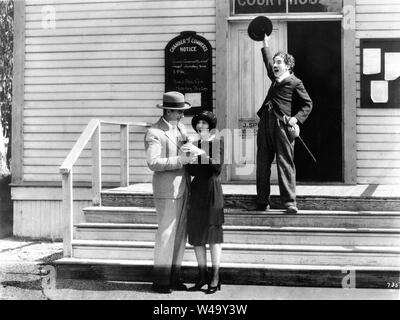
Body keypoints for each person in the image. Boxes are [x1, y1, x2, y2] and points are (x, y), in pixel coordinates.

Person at [144, 91, 197, 294]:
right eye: (177, 112)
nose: (182, 116)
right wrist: (180, 161)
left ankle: (174, 276)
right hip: (166, 190)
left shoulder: (180, 127)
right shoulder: (154, 132)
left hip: (184, 187)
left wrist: (190, 148)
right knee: (166, 234)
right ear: (167, 111)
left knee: (180, 235)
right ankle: (160, 280)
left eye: (182, 112)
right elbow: (153, 163)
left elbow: (185, 148)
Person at [256, 35, 313, 214]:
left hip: (283, 127)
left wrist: (296, 118)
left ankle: (289, 203)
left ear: (288, 66)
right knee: (263, 164)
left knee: (285, 163)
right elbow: (267, 61)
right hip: (265, 124)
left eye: (279, 62)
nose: (275, 65)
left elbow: (308, 104)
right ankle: (262, 201)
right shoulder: (274, 79)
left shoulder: (295, 82)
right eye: (274, 62)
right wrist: (265, 44)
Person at [186, 111, 225, 294]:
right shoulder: (193, 144)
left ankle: (216, 276)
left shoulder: (218, 143)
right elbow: (191, 170)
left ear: (211, 127)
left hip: (212, 191)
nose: (201, 125)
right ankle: (202, 275)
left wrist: (201, 153)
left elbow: (216, 167)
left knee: (213, 236)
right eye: (198, 123)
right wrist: (187, 155)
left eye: (204, 122)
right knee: (196, 236)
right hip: (197, 191)